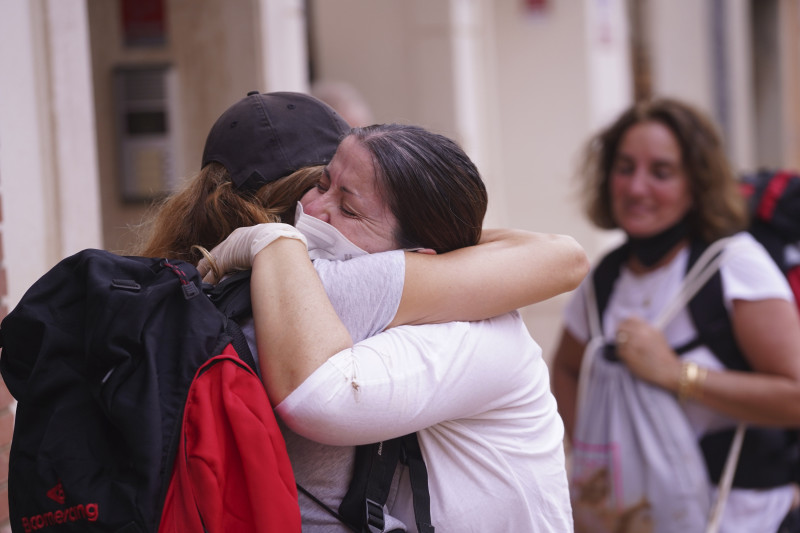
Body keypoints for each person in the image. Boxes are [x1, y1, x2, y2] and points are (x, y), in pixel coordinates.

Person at [140, 91, 588, 531]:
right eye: (320, 184)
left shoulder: (185, 285)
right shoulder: (308, 280)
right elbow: (561, 255)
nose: (313, 210)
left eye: (349, 207)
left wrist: (271, 240)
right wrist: (276, 244)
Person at [549, 98, 800, 532]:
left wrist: (676, 374)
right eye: (624, 167)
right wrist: (595, 461)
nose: (636, 187)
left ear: (696, 183)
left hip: (739, 516)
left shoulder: (734, 265)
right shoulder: (606, 275)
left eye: (660, 172)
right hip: (636, 517)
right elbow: (568, 367)